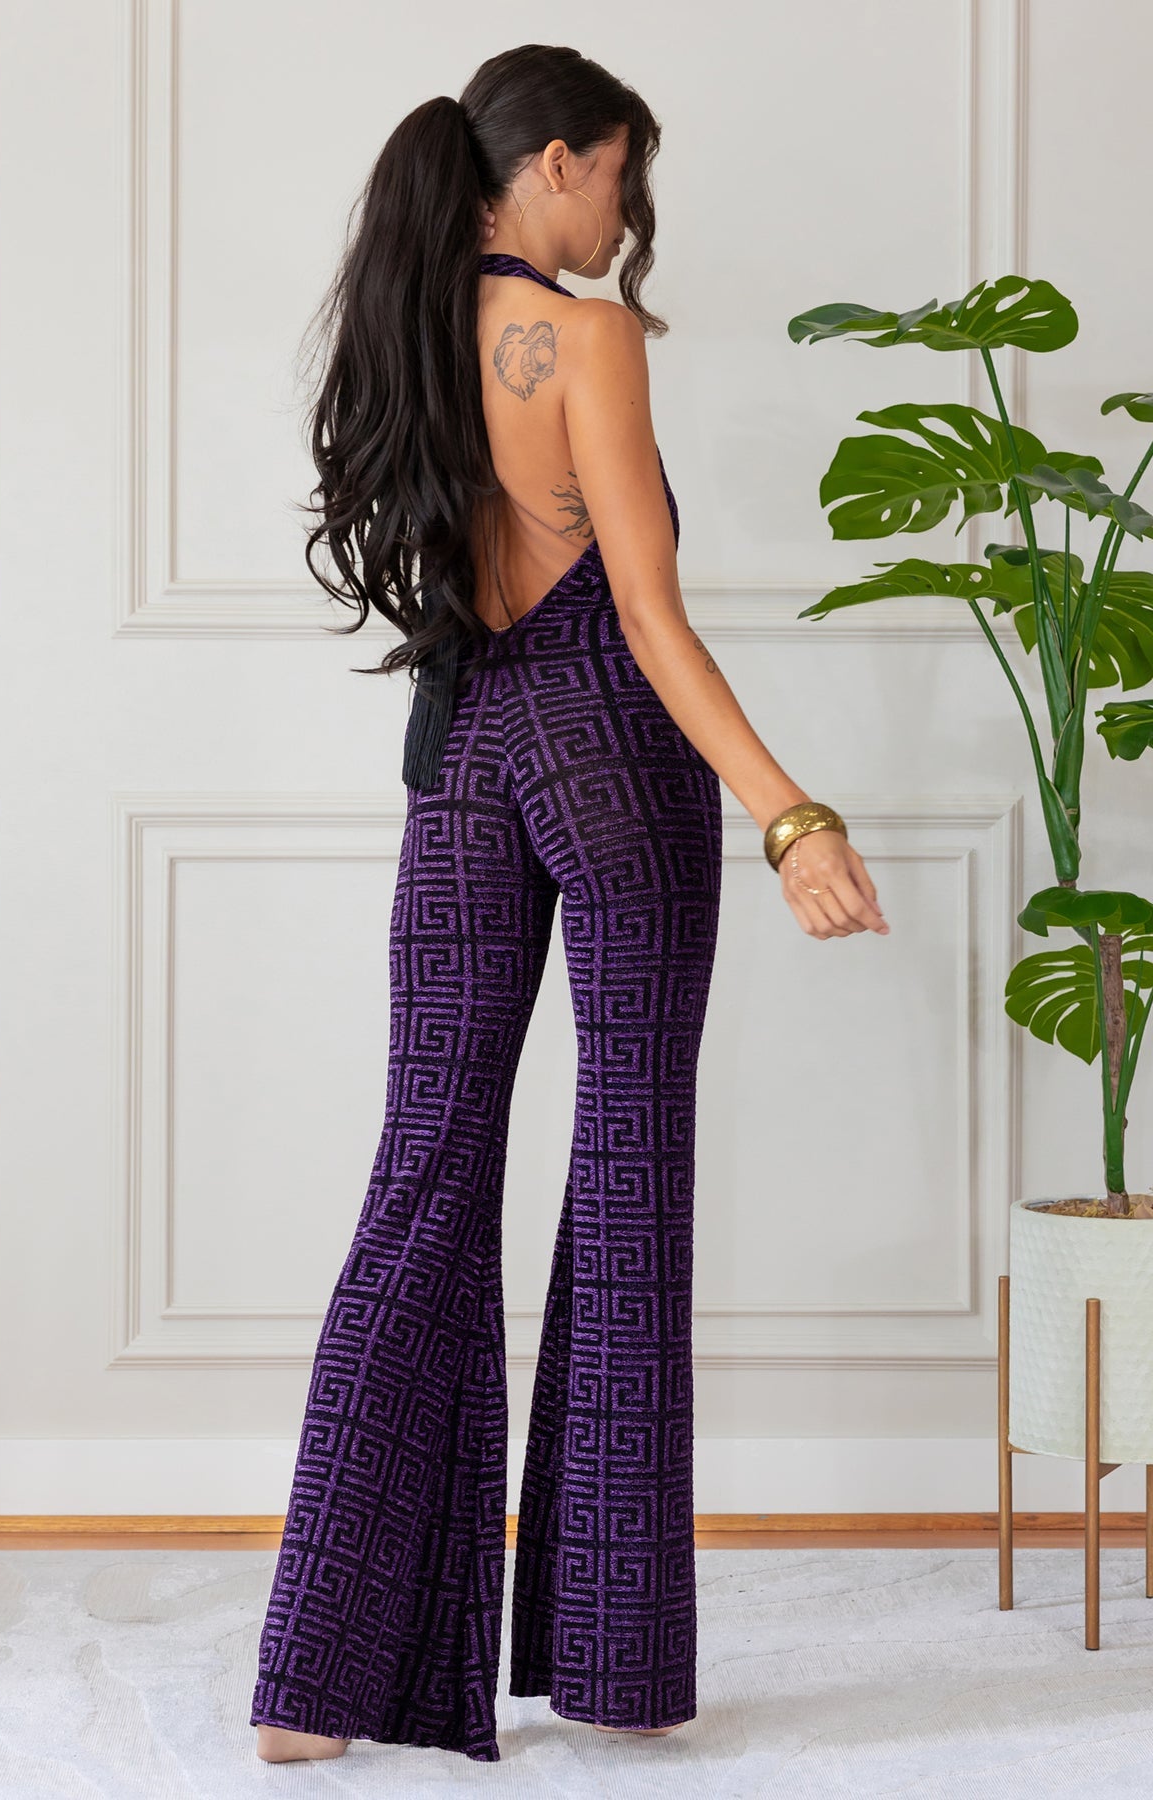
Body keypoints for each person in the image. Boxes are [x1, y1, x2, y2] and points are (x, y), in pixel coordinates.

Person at [249, 41, 889, 1768]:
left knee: (424, 1169)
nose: (627, 214)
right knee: (626, 1177)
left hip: (461, 757)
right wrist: (792, 816)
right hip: (610, 756)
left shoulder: (404, 323)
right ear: (554, 163)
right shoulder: (581, 338)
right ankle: (614, 1673)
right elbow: (652, 621)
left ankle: (311, 1690)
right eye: (619, 175)